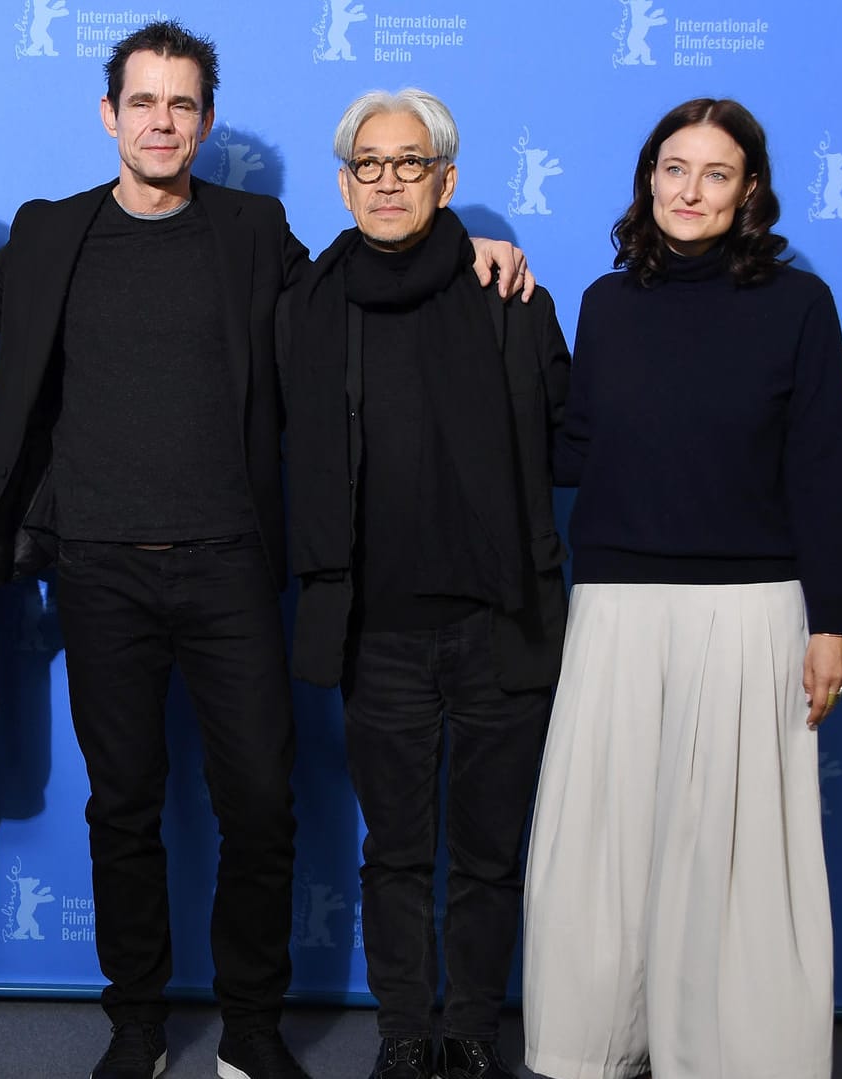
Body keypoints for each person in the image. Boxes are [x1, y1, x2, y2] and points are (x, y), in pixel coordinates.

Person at [0, 20, 529, 1079]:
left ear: (202, 122)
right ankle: (135, 1022)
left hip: (229, 565)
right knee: (121, 805)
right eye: (142, 101)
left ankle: (251, 1025)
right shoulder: (48, 233)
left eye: (181, 104)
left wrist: (469, 248)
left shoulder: (255, 231)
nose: (160, 120)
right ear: (108, 113)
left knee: (258, 800)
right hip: (98, 568)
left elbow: (358, 289)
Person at [520, 98, 842, 1079]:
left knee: (735, 854)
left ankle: (738, 1053)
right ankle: (592, 1044)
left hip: (751, 606)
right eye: (673, 168)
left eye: (715, 173)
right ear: (647, 178)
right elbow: (571, 444)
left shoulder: (798, 305)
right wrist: (479, 338)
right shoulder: (603, 302)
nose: (689, 190)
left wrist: (829, 620)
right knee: (604, 842)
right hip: (616, 603)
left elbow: (823, 471)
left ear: (748, 189)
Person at [279, 88, 569, 1079]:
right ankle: (405, 1032)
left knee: (487, 855)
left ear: (446, 180)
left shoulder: (509, 297)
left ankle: (472, 1031)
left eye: (410, 163)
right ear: (344, 182)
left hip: (497, 623)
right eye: (370, 163)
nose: (389, 180)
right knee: (393, 853)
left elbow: (572, 443)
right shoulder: (305, 305)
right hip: (376, 632)